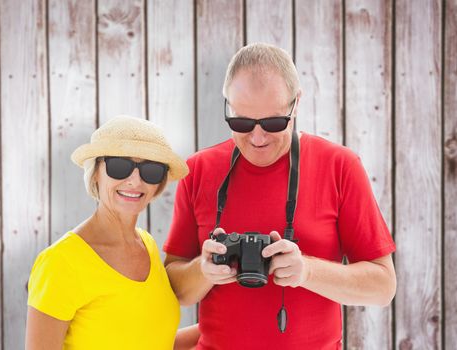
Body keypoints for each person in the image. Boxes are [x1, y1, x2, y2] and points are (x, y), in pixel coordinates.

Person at [163, 43, 396, 349]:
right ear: (228, 107)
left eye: (274, 123)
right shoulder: (197, 170)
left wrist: (307, 271)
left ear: (295, 104)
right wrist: (203, 270)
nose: (257, 138)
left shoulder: (340, 166)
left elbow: (382, 286)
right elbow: (175, 290)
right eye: (242, 123)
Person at [25, 115, 189, 349]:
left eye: (151, 170)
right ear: (95, 173)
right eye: (119, 166)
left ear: (159, 184)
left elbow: (153, 341)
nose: (135, 181)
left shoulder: (148, 245)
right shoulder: (60, 262)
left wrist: (221, 325)